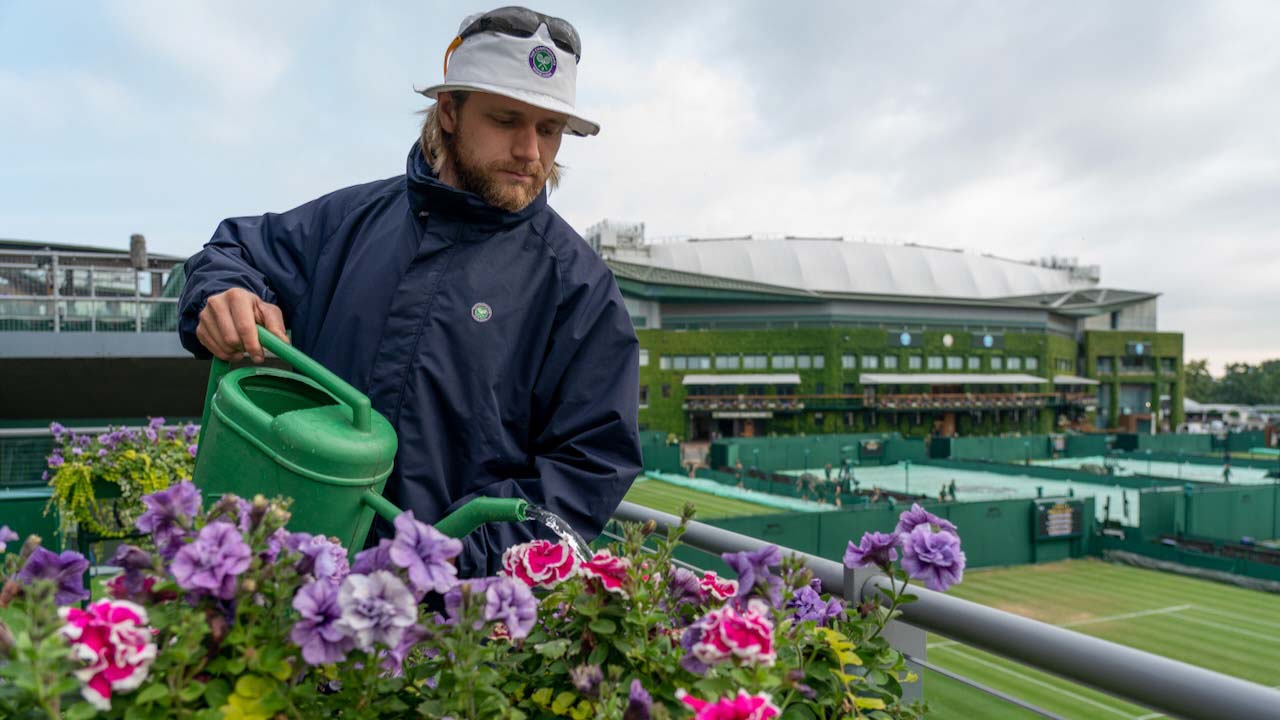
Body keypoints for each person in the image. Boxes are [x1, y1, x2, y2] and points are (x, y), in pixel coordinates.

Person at [177, 7, 641, 577]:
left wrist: (444, 564)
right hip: (284, 589)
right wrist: (223, 294)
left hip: (449, 631)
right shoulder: (347, 220)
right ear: (449, 110)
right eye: (506, 119)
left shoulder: (581, 288)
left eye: (548, 129)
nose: (531, 151)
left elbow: (590, 464)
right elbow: (235, 251)